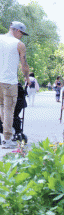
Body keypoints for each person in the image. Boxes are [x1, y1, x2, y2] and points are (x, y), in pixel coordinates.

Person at [0, 21, 29, 149]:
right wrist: (27, 77)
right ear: (17, 30)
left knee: (1, 107)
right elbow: (24, 65)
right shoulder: (19, 44)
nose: (21, 36)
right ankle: (7, 139)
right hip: (9, 81)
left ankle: (6, 132)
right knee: (8, 110)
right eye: (22, 33)